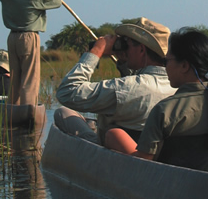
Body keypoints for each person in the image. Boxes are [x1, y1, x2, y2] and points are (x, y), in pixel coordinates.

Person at [105, 29, 208, 174]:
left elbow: (144, 165)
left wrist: (115, 139)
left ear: (184, 66)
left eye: (167, 61)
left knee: (114, 134)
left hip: (177, 189)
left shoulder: (165, 110)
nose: (166, 67)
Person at [54, 17, 174, 145]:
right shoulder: (177, 85)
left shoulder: (126, 87)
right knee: (91, 122)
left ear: (141, 50)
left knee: (63, 113)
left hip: (112, 151)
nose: (124, 49)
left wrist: (95, 52)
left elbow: (67, 92)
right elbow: (135, 90)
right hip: (146, 150)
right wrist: (124, 63)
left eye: (127, 44)